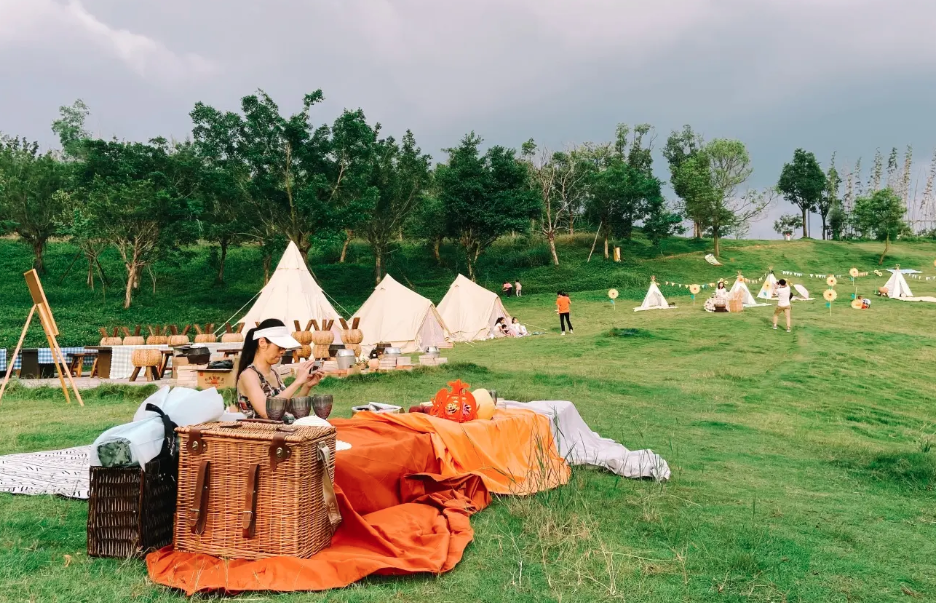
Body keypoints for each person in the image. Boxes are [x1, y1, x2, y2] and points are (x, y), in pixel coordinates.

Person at [236, 318, 324, 418]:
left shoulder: (274, 372)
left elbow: (288, 408)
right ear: (262, 343)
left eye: (284, 348)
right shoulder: (248, 375)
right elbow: (266, 411)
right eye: (280, 347)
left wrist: (306, 386)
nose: (283, 351)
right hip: (258, 431)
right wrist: (297, 382)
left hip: (280, 430)